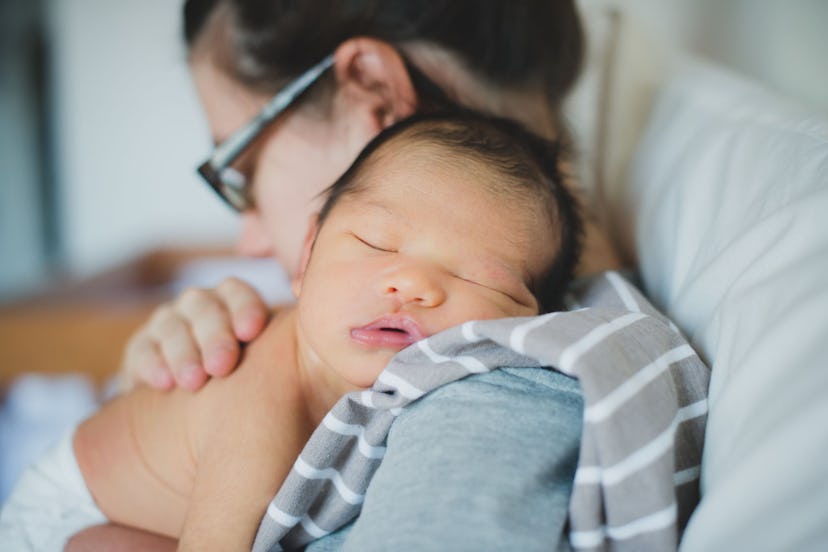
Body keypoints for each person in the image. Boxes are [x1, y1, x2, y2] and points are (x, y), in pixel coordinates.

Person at [76, 0, 614, 548]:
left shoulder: (512, 386)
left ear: (373, 93)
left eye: (243, 171)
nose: (249, 241)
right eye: (374, 243)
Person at [0, 110, 584, 551]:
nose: (411, 284)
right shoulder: (263, 401)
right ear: (306, 258)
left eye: (477, 278)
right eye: (375, 243)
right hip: (70, 518)